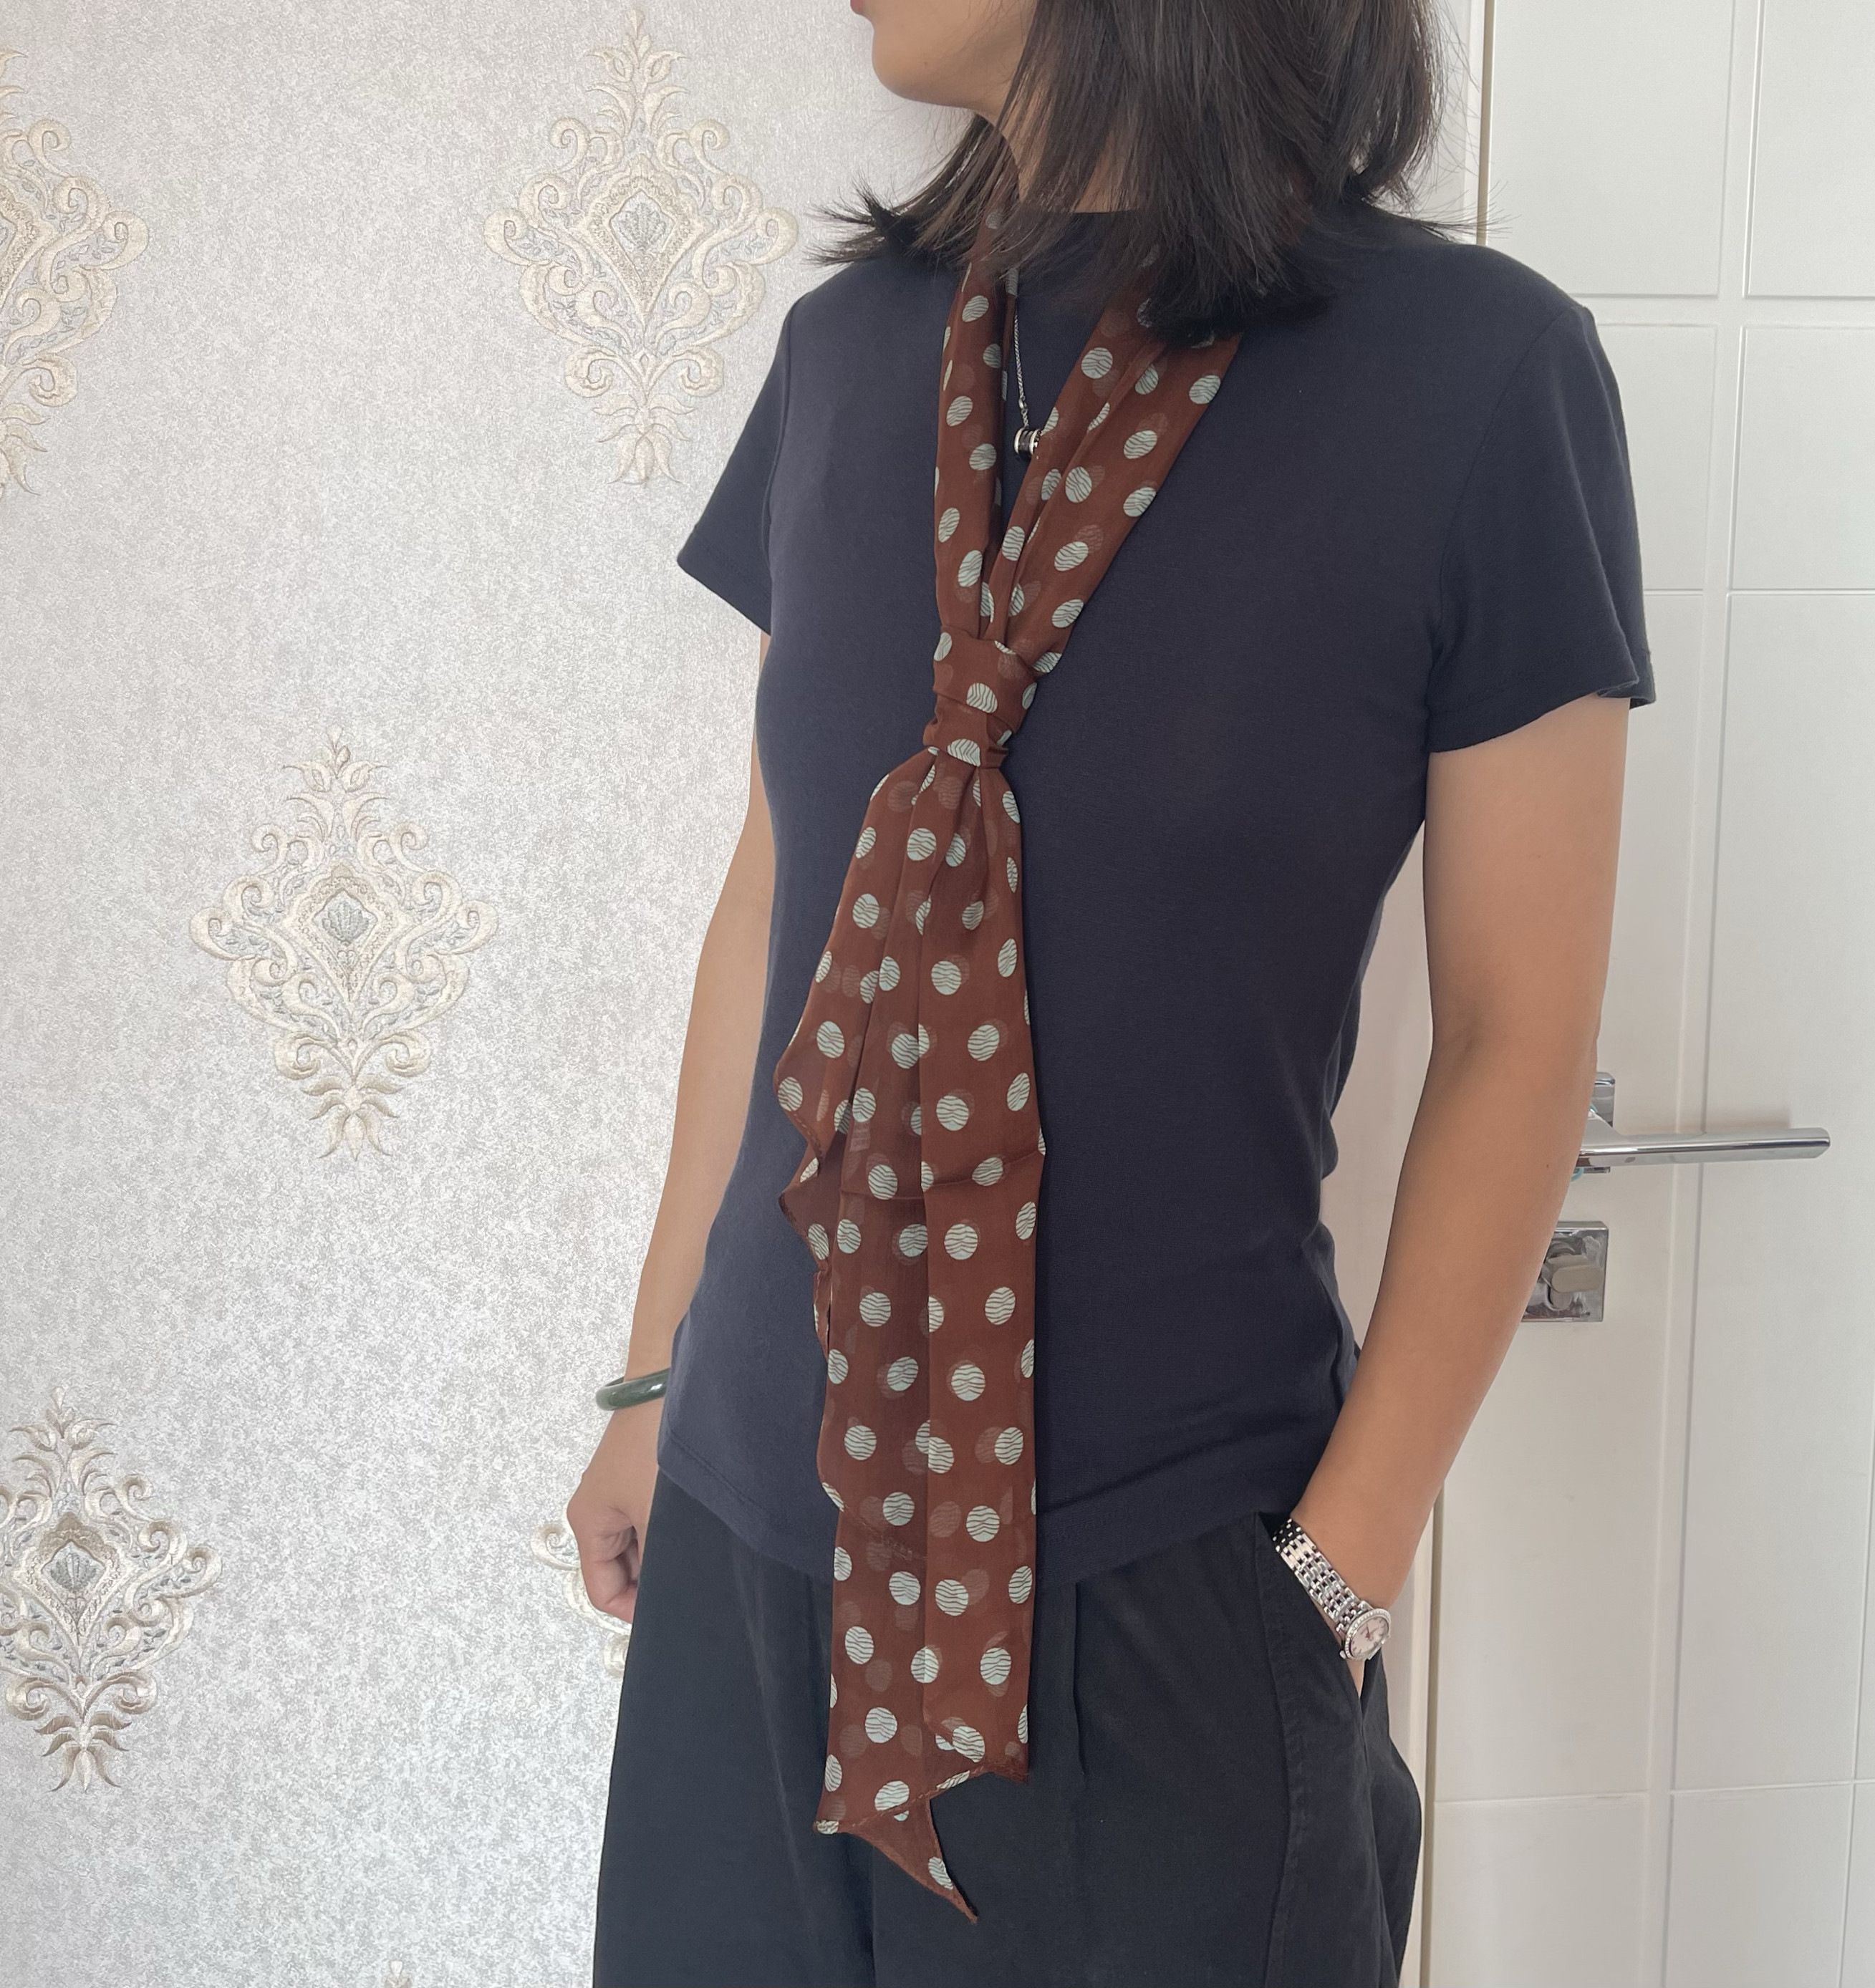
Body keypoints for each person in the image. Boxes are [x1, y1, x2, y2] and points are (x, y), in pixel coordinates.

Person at [574, 0, 1654, 1981]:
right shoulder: (848, 357)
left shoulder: (1477, 377)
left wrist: (1341, 1570)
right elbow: (780, 899)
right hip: (754, 1543)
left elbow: (1520, 1029)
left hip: (1166, 1596)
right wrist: (655, 1378)